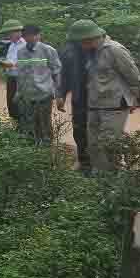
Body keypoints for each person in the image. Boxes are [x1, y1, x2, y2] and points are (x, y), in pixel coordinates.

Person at [70, 19, 140, 172]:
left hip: (114, 104)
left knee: (108, 145)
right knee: (94, 145)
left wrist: (133, 98)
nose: (80, 46)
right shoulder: (91, 52)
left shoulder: (114, 50)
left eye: (82, 42)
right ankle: (99, 177)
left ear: (90, 38)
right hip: (94, 104)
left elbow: (134, 77)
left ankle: (112, 180)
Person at [6, 25, 61, 144]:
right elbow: (21, 74)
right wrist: (18, 93)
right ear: (24, 37)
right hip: (27, 95)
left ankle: (47, 150)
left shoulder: (48, 50)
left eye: (33, 36)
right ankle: (33, 149)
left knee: (44, 124)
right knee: (29, 124)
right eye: (27, 36)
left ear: (39, 35)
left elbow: (57, 72)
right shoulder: (21, 52)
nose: (30, 39)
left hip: (44, 94)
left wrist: (58, 94)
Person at [56, 30, 92, 173]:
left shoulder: (99, 50)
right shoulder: (67, 51)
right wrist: (61, 95)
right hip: (79, 98)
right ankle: (83, 162)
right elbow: (64, 75)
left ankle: (100, 165)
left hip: (99, 99)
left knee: (97, 132)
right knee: (79, 130)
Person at [0, 21, 24, 122]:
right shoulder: (12, 45)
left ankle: (25, 132)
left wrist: (9, 65)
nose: (7, 36)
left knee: (21, 107)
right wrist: (3, 64)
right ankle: (17, 131)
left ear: (18, 32)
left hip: (22, 80)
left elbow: (25, 64)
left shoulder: (25, 45)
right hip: (11, 78)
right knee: (12, 107)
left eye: (9, 33)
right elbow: (10, 60)